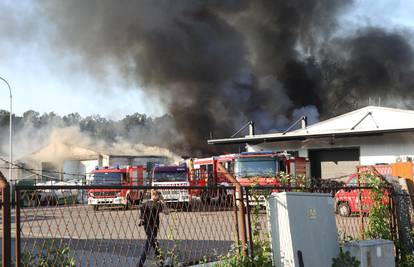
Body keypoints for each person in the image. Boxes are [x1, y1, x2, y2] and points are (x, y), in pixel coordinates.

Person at [138, 189, 170, 267]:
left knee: (155, 245)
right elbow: (167, 212)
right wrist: (162, 202)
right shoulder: (156, 204)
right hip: (152, 228)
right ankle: (139, 265)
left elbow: (141, 216)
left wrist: (162, 202)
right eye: (158, 195)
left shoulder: (145, 204)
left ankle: (162, 262)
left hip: (149, 228)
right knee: (148, 246)